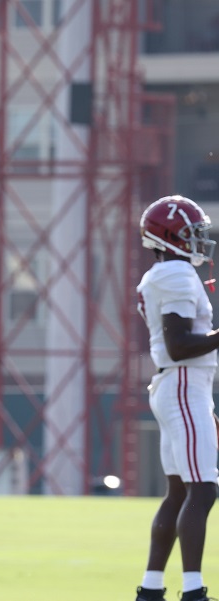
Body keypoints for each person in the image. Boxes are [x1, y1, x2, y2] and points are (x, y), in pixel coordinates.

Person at [133, 195, 219, 601]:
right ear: (170, 236)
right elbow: (180, 343)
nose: (200, 240)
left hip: (176, 384)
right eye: (192, 233)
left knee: (182, 492)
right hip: (184, 381)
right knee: (202, 490)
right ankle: (193, 590)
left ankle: (151, 588)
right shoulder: (178, 274)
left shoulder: (166, 273)